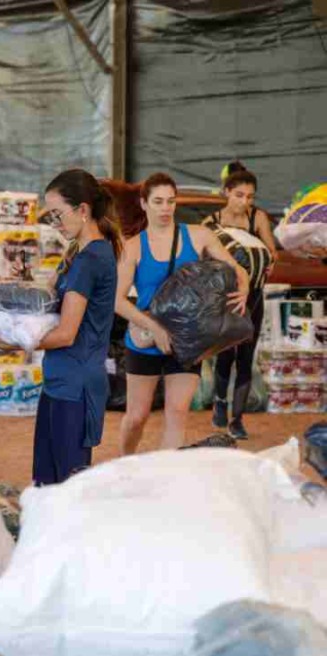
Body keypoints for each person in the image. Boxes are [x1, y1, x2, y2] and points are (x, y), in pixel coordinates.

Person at [116, 172, 248, 454]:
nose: (165, 208)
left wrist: (244, 287)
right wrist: (155, 328)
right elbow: (116, 300)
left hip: (188, 341)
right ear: (144, 204)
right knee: (137, 417)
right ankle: (125, 462)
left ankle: (167, 474)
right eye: (158, 201)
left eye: (171, 201)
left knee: (177, 413)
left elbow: (236, 268)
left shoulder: (199, 235)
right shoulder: (133, 247)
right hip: (146, 339)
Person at [31, 169, 120, 485]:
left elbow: (66, 333)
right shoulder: (78, 254)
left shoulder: (90, 260)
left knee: (66, 486)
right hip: (61, 379)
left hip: (75, 383)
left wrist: (16, 342)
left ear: (83, 209)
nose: (55, 223)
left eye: (58, 214)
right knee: (47, 482)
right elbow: (50, 300)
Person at [204, 164, 278, 440]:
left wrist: (269, 261)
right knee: (225, 352)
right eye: (239, 195)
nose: (245, 202)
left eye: (250, 196)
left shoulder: (257, 218)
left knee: (246, 355)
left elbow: (272, 252)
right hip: (225, 297)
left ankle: (237, 420)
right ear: (226, 192)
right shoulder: (211, 223)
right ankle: (220, 402)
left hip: (254, 294)